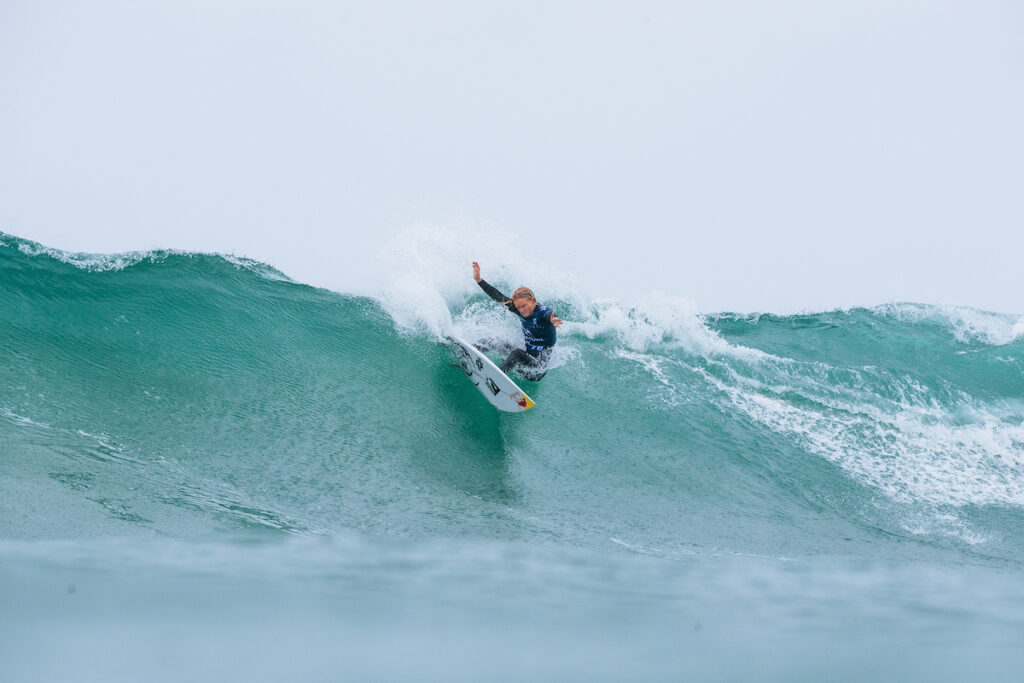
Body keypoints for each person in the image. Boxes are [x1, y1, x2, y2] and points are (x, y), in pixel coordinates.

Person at [472, 261, 562, 380]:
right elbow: (498, 296)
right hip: (523, 363)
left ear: (533, 301)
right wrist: (479, 280)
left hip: (536, 370)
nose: (521, 310)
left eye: (523, 306)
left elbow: (547, 314)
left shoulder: (542, 312)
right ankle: (468, 353)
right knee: (495, 340)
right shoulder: (520, 310)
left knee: (517, 353)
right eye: (518, 307)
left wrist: (552, 320)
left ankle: (496, 377)